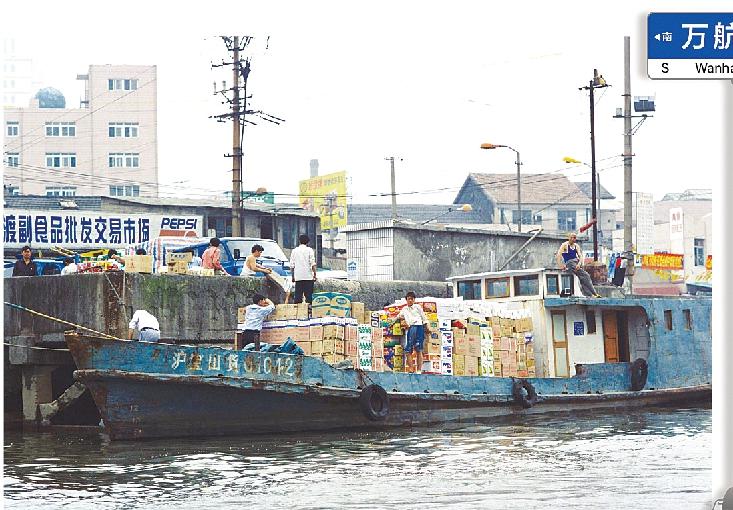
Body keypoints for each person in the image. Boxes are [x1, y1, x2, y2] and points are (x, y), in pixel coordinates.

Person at [389, 292, 431, 374]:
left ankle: (419, 370)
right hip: (411, 328)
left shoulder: (417, 307)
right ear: (406, 300)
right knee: (408, 350)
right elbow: (397, 317)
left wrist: (427, 328)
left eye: (412, 299)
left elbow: (424, 318)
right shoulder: (404, 309)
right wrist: (390, 323)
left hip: (419, 327)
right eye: (409, 299)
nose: (410, 301)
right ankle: (411, 369)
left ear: (414, 300)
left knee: (419, 350)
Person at [556, 232, 601, 298]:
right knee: (586, 275)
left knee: (582, 279)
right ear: (569, 238)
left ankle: (589, 295)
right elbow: (558, 255)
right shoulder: (565, 245)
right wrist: (561, 265)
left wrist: (579, 264)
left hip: (576, 263)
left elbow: (580, 256)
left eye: (574, 237)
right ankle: (594, 293)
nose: (573, 239)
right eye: (571, 237)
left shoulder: (576, 246)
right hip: (570, 263)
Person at [289, 234, 316, 304]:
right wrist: (315, 275)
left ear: (299, 241)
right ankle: (309, 312)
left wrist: (293, 277)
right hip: (308, 277)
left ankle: (298, 312)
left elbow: (292, 266)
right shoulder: (310, 250)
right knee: (309, 297)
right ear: (308, 242)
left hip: (298, 277)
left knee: (298, 297)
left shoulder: (294, 251)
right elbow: (312, 264)